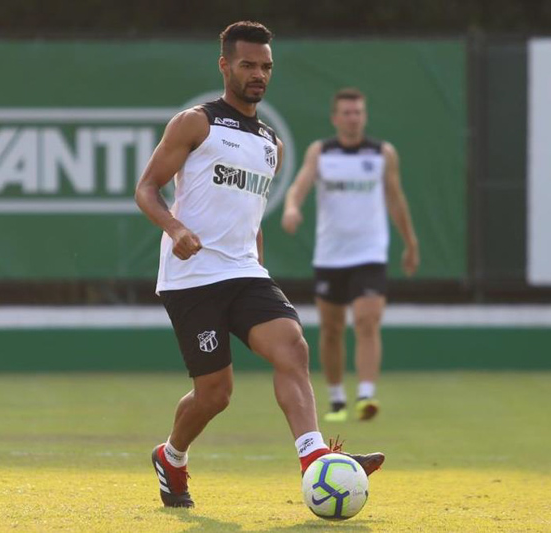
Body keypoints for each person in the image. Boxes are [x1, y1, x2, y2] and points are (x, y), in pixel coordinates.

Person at [135, 22, 385, 509]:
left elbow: (252, 217)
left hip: (246, 273)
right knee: (215, 394)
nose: (258, 74)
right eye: (248, 64)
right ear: (225, 65)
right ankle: (171, 457)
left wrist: (260, 272)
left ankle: (314, 458)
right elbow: (146, 189)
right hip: (193, 278)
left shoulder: (271, 142)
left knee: (292, 345)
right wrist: (176, 229)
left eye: (266, 66)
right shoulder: (196, 122)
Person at [281, 88, 419, 423]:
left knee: (367, 321)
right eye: (346, 112)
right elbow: (300, 184)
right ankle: (337, 399)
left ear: (365, 116)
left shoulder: (382, 154)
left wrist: (410, 243)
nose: (352, 117)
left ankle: (367, 395)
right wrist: (292, 207)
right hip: (330, 255)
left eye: (358, 112)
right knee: (331, 328)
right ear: (335, 117)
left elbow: (396, 199)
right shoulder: (321, 152)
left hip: (370, 253)